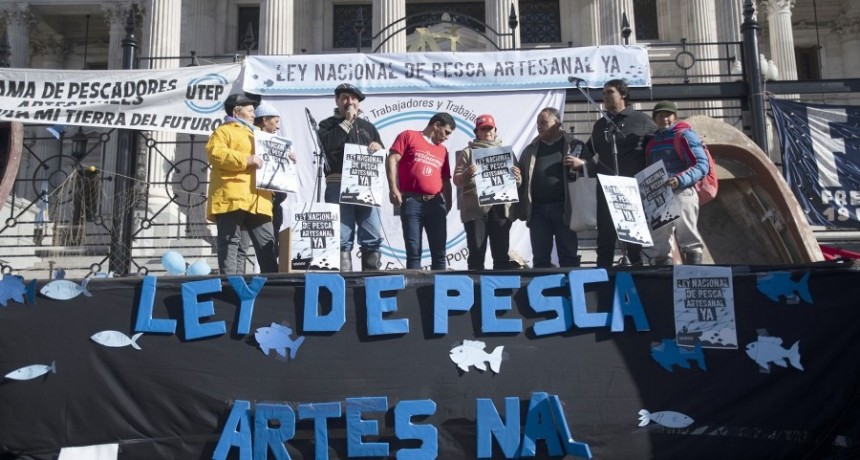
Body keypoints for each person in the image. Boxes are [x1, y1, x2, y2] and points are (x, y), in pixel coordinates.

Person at [583, 79, 657, 267]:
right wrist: (582, 162)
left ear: (623, 94)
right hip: (606, 189)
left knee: (633, 237)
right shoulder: (600, 125)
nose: (605, 97)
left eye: (610, 92)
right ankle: (603, 275)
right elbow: (588, 151)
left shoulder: (641, 120)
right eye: (603, 94)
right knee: (605, 236)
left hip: (632, 188)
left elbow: (660, 143)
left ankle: (637, 271)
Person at [205, 93, 278, 274]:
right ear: (236, 112)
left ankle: (273, 285)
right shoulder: (223, 131)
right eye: (250, 110)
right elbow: (216, 154)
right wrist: (246, 159)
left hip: (259, 199)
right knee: (231, 243)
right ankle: (231, 283)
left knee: (267, 244)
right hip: (233, 196)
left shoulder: (260, 134)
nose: (254, 114)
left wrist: (286, 155)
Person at [317, 83, 385, 272]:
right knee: (341, 238)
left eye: (354, 98)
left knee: (372, 236)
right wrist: (346, 122)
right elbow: (326, 145)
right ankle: (344, 283)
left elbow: (382, 153)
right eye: (345, 97)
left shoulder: (368, 127)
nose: (350, 101)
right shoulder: (327, 124)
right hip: (338, 185)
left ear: (359, 102)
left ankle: (370, 280)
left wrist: (379, 148)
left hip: (366, 186)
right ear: (337, 100)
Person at [516, 107, 585, 269]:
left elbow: (593, 169)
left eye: (544, 123)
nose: (539, 127)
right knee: (540, 259)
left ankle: (570, 284)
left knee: (568, 256)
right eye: (538, 123)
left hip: (565, 209)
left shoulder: (574, 145)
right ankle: (544, 285)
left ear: (557, 123)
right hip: (537, 210)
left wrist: (582, 165)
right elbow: (520, 180)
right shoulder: (531, 149)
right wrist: (516, 177)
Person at [387, 112, 456, 270]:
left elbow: (446, 180)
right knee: (413, 251)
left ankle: (439, 285)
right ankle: (414, 285)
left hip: (436, 202)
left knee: (439, 252)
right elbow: (392, 158)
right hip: (411, 201)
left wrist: (448, 203)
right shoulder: (408, 136)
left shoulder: (443, 150)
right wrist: (393, 188)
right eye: (446, 132)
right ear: (436, 125)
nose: (446, 137)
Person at [453, 114, 522, 270]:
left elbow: (517, 182)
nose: (487, 132)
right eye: (483, 129)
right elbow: (457, 180)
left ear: (495, 130)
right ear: (476, 132)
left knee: (501, 256)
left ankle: (500, 285)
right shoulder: (468, 152)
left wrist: (518, 178)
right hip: (476, 211)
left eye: (490, 128)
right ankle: (475, 285)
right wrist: (466, 175)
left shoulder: (506, 152)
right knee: (476, 256)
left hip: (501, 209)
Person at [644, 100, 709, 265]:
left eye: (668, 115)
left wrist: (680, 179)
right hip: (660, 195)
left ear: (675, 117)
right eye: (660, 115)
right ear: (654, 118)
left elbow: (702, 165)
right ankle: (664, 275)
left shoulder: (685, 135)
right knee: (660, 241)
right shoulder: (652, 142)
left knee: (688, 236)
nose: (664, 119)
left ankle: (694, 274)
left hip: (682, 191)